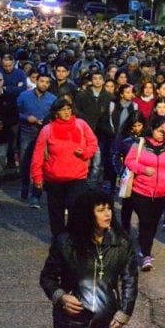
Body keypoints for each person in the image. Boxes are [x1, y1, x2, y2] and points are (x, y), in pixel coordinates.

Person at [39, 189, 138, 328]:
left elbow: (130, 278)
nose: (108, 214)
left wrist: (125, 311)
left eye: (109, 208)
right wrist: (61, 297)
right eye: (100, 210)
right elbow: (47, 277)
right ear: (86, 214)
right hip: (69, 321)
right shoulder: (65, 242)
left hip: (104, 320)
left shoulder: (122, 242)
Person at [31, 98, 99, 237]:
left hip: (77, 178)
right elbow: (37, 155)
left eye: (69, 109)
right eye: (63, 110)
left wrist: (85, 153)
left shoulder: (81, 124)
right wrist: (37, 177)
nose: (67, 112)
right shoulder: (47, 130)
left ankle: (74, 239)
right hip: (54, 179)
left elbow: (93, 143)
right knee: (56, 213)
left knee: (77, 211)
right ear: (56, 113)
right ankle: (58, 241)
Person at [125, 116, 165, 271]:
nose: (162, 134)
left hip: (163, 192)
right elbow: (129, 161)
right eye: (160, 131)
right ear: (152, 129)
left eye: (164, 132)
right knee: (146, 222)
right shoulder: (141, 143)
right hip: (141, 191)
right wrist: (143, 170)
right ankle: (145, 255)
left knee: (152, 224)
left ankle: (145, 245)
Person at [17, 72, 56, 207]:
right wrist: (27, 118)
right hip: (27, 133)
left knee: (41, 164)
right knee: (25, 161)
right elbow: (15, 112)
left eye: (47, 82)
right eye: (41, 81)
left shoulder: (53, 99)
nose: (44, 84)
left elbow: (56, 116)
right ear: (36, 81)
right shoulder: (24, 96)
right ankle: (25, 184)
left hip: (44, 135)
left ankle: (36, 195)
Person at [110, 110, 146, 233]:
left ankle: (142, 232)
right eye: (134, 126)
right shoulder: (123, 138)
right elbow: (115, 155)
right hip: (128, 176)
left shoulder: (147, 137)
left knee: (143, 207)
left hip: (144, 175)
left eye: (139, 125)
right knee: (127, 206)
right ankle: (125, 231)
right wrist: (121, 172)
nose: (137, 128)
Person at [0, 70, 18, 208]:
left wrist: (0, 124)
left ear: (2, 82)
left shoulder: (9, 97)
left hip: (2, 140)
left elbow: (14, 117)